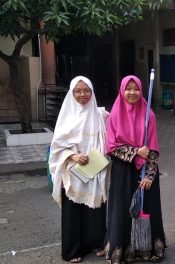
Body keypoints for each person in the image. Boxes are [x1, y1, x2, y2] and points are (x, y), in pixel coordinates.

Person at [105, 75, 166, 263]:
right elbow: (111, 147)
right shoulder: (114, 114)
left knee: (147, 208)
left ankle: (146, 248)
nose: (132, 92)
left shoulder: (150, 115)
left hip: (144, 171)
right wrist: (136, 151)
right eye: (128, 89)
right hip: (123, 172)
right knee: (122, 209)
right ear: (122, 91)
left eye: (136, 89)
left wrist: (149, 175)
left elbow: (153, 148)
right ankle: (122, 249)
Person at [49, 76, 109, 263]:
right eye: (78, 91)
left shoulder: (101, 115)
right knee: (73, 211)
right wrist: (73, 156)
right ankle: (72, 250)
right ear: (72, 93)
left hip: (95, 168)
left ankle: (97, 243)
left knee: (96, 209)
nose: (83, 94)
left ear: (92, 92)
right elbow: (57, 146)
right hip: (73, 170)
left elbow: (111, 137)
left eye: (86, 91)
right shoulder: (67, 116)